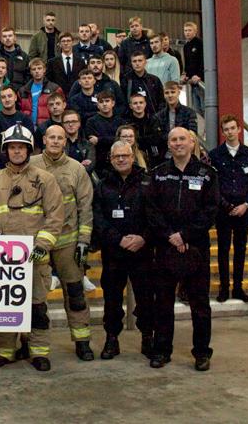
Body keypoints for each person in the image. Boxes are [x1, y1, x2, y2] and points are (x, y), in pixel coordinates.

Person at [0, 123, 65, 371]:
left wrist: (42, 245)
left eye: (21, 147)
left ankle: (38, 352)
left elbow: (55, 216)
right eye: (12, 147)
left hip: (35, 260)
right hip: (4, 261)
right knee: (5, 307)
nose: (16, 151)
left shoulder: (45, 180)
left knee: (37, 308)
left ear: (28, 150)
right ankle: (4, 352)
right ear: (6, 150)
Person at [146, 127, 219, 371]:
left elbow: (210, 210)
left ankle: (202, 353)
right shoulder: (158, 174)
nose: (178, 143)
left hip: (196, 248)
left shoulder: (207, 174)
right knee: (162, 303)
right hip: (165, 246)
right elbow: (151, 209)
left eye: (182, 139)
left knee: (200, 304)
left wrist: (186, 235)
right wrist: (170, 235)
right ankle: (161, 350)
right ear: (168, 144)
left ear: (191, 142)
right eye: (173, 140)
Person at [29, 124, 95, 361]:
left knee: (76, 294)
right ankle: (32, 345)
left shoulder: (76, 169)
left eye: (60, 138)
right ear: (44, 140)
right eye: (52, 137)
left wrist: (83, 241)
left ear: (65, 142)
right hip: (38, 243)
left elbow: (85, 207)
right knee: (35, 298)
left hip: (68, 242)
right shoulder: (30, 166)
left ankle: (82, 342)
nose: (56, 141)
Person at [94, 140, 154, 360]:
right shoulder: (102, 185)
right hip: (113, 253)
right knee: (112, 300)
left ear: (132, 156)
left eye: (125, 155)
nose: (121, 159)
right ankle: (112, 339)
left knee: (146, 298)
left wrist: (143, 238)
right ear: (111, 159)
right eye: (116, 156)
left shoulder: (148, 182)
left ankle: (148, 337)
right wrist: (118, 239)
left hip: (142, 252)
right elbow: (98, 218)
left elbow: (156, 215)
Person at [209, 115, 248, 303]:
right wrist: (226, 205)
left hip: (244, 210)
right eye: (226, 129)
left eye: (233, 128)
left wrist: (246, 204)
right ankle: (224, 288)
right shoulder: (215, 155)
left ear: (239, 129)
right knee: (223, 249)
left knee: (241, 249)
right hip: (223, 211)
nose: (230, 132)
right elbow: (213, 184)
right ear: (222, 132)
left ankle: (238, 287)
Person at [86, 90, 123, 176]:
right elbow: (92, 142)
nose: (104, 104)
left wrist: (100, 140)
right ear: (97, 105)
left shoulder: (120, 121)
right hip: (100, 163)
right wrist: (114, 139)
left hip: (120, 158)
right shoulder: (91, 122)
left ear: (113, 103)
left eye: (107, 101)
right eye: (101, 102)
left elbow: (122, 140)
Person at [125, 92, 165, 168]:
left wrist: (138, 139)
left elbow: (157, 139)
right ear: (130, 106)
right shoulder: (126, 123)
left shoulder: (153, 120)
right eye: (135, 103)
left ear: (145, 104)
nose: (138, 105)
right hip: (134, 157)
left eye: (141, 102)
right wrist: (147, 139)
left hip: (153, 157)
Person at [47, 32, 86, 97]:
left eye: (68, 41)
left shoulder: (81, 62)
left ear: (72, 43)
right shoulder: (52, 62)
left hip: (76, 96)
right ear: (59, 44)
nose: (66, 43)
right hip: (58, 96)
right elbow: (49, 81)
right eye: (63, 41)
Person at [61, 110, 96, 175]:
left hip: (83, 178)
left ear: (79, 123)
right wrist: (80, 165)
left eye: (74, 121)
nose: (70, 124)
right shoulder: (59, 144)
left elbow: (89, 167)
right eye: (67, 122)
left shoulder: (88, 144)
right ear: (63, 125)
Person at [181, 21, 204, 112]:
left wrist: (199, 75)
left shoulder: (200, 43)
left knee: (204, 107)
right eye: (185, 30)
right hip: (192, 82)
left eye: (189, 30)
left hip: (201, 80)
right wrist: (186, 75)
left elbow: (203, 60)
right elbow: (187, 63)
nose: (187, 32)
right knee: (196, 109)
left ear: (195, 31)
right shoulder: (186, 46)